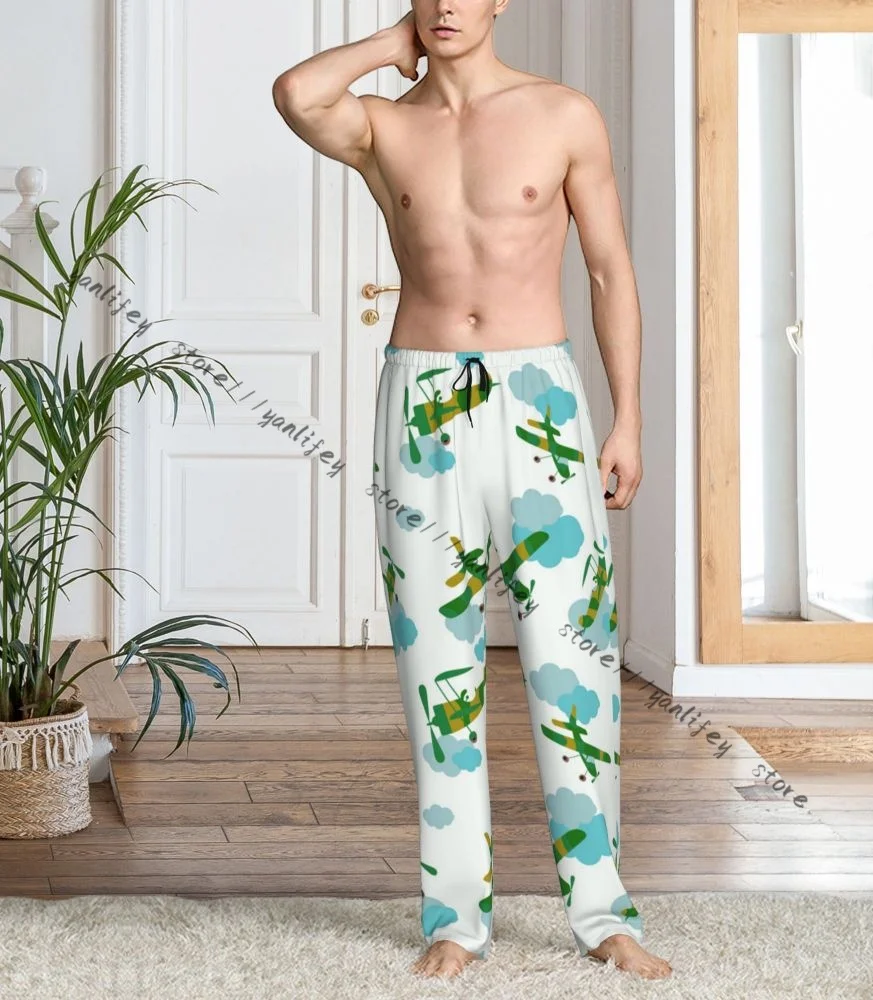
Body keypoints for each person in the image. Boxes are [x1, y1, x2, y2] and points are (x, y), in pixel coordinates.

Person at [272, 0, 670, 981]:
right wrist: (389, 46)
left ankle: (602, 912)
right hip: (422, 403)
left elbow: (609, 270)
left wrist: (626, 417)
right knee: (436, 666)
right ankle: (455, 920)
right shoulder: (383, 126)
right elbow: (295, 93)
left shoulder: (563, 114)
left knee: (573, 661)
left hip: (540, 398)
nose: (449, 3)